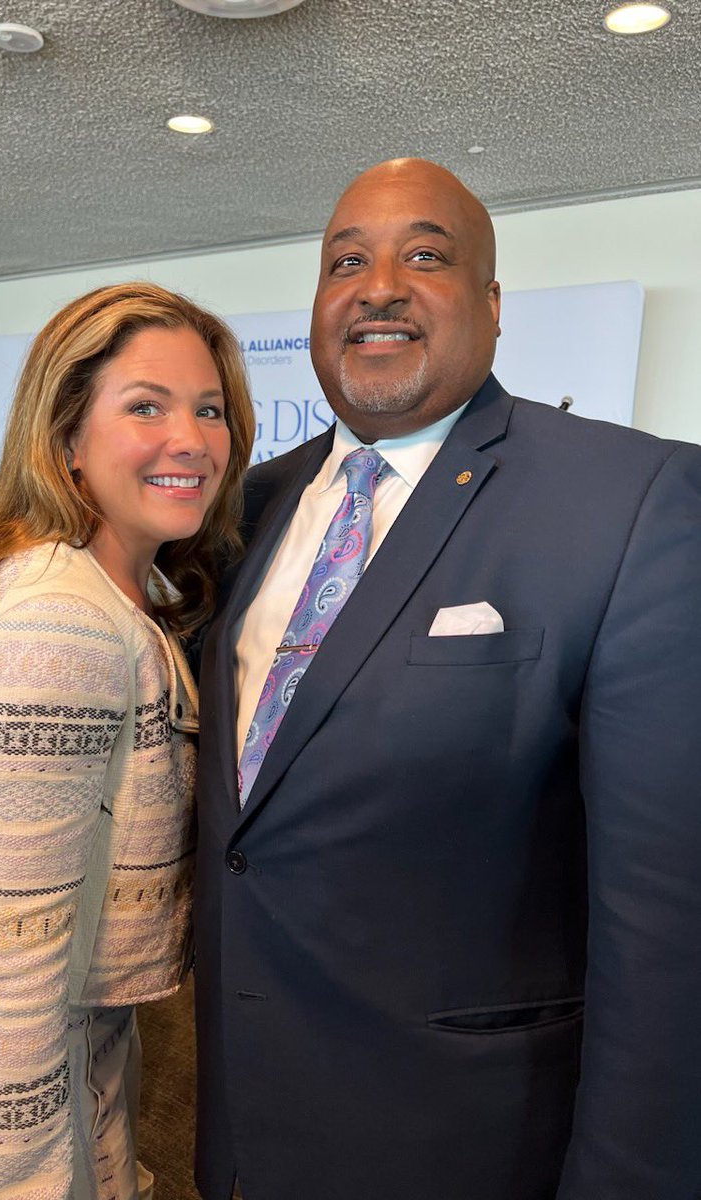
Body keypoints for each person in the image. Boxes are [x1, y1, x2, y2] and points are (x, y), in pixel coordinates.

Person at [192, 158, 701, 1200]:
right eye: (346, 262)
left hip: (467, 1148)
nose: (378, 285)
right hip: (245, 1126)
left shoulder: (632, 500)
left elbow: (668, 928)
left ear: (494, 306)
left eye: (426, 255)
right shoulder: (244, 508)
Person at [0, 281, 255, 1200]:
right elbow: (10, 947)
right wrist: (24, 1175)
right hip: (11, 1061)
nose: (192, 439)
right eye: (146, 406)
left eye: (208, 409)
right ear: (66, 443)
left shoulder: (122, 595)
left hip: (72, 1033)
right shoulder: (61, 624)